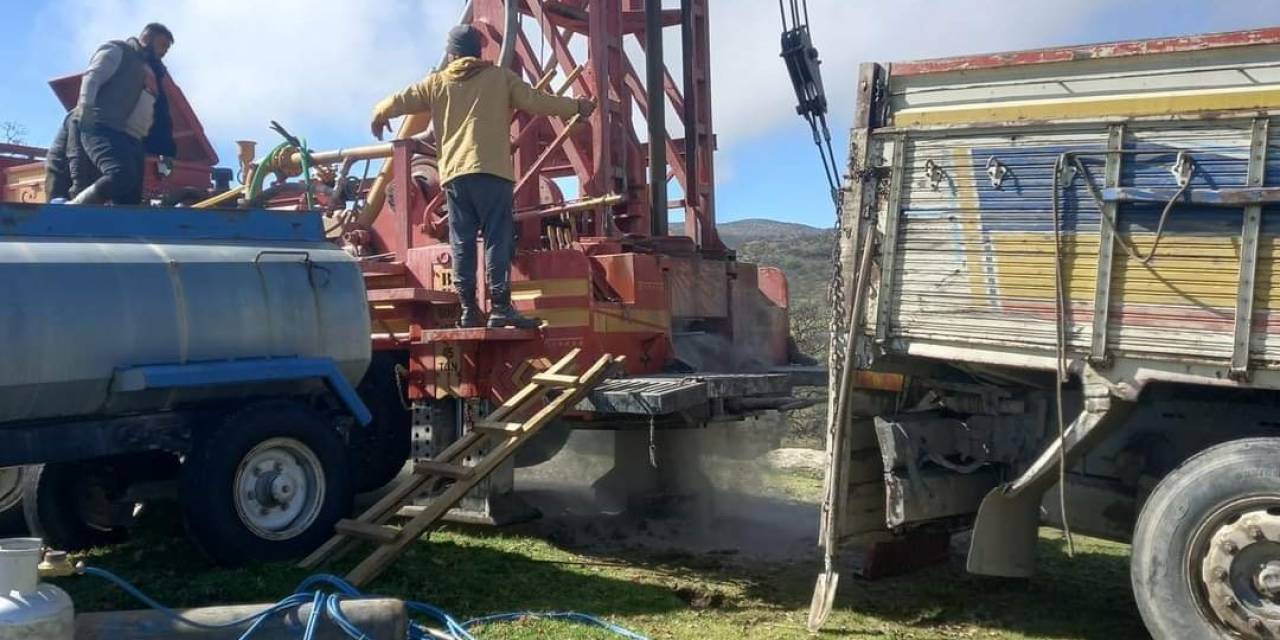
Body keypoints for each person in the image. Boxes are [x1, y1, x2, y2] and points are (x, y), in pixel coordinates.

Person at [369, 25, 596, 329]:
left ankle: (468, 310)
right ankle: (501, 307)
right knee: (496, 238)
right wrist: (576, 107)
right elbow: (538, 101)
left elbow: (399, 100)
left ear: (451, 53)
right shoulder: (500, 78)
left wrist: (379, 113)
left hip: (455, 176)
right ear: (479, 52)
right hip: (492, 173)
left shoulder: (437, 84)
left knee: (461, 242)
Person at [69, 23, 176, 205]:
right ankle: (75, 208)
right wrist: (86, 108)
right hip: (104, 126)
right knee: (120, 174)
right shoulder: (119, 51)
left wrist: (165, 148)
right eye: (162, 45)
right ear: (147, 38)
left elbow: (160, 112)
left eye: (167, 48)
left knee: (131, 195)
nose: (164, 51)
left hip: (133, 138)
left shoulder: (153, 71)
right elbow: (92, 76)